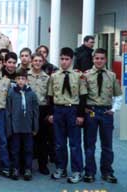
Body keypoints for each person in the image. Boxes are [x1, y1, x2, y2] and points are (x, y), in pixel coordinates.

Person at [48, 47, 87, 184]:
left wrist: (81, 115)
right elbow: (50, 96)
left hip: (73, 111)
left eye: (67, 59)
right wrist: (51, 114)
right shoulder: (54, 76)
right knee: (59, 143)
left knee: (75, 143)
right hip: (58, 111)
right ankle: (61, 168)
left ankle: (77, 171)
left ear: (71, 60)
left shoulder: (78, 75)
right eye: (62, 59)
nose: (64, 62)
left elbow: (83, 97)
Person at [83, 48, 122, 184]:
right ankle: (89, 172)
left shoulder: (111, 75)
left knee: (107, 145)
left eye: (101, 58)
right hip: (91, 112)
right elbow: (81, 95)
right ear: (93, 59)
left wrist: (114, 109)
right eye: (96, 58)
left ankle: (107, 172)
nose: (99, 61)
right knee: (89, 144)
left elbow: (118, 94)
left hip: (106, 113)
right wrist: (84, 109)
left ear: (105, 59)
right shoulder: (86, 75)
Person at [6, 69, 39, 181]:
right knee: (15, 149)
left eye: (23, 79)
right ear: (15, 80)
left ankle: (27, 169)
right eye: (18, 79)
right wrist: (9, 127)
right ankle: (15, 168)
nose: (20, 81)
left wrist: (35, 127)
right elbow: (8, 111)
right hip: (15, 126)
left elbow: (35, 112)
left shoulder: (32, 93)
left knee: (28, 149)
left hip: (28, 127)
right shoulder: (11, 93)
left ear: (27, 80)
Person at [27, 53, 51, 175]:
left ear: (43, 62)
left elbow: (50, 96)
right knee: (29, 138)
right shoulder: (26, 76)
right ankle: (27, 165)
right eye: (35, 60)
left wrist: (49, 113)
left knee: (42, 139)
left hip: (42, 110)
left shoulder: (47, 78)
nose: (37, 63)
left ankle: (43, 165)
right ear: (31, 61)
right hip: (28, 110)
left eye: (39, 61)